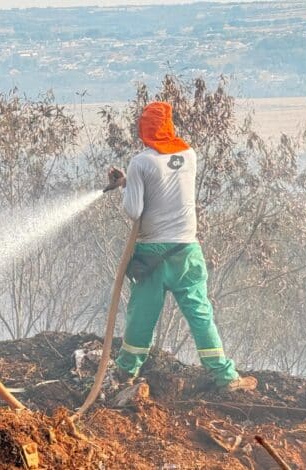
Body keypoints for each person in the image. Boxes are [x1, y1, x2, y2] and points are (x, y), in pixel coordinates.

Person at [107, 101, 257, 392]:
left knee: (142, 316)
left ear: (144, 129)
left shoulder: (140, 162)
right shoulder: (189, 155)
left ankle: (125, 371)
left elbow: (134, 211)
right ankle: (225, 376)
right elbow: (167, 184)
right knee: (200, 313)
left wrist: (126, 185)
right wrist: (130, 181)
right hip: (187, 251)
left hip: (151, 255)